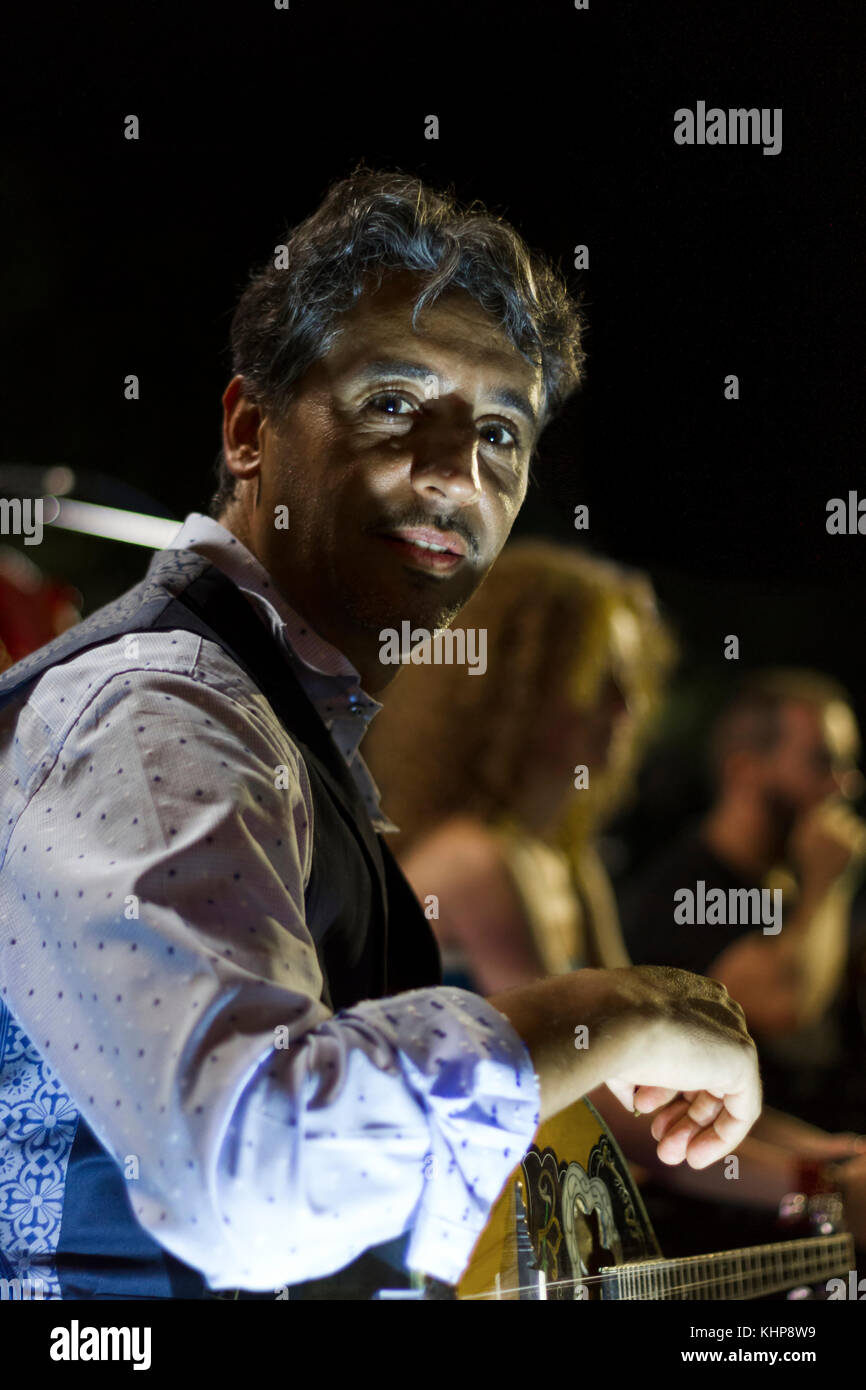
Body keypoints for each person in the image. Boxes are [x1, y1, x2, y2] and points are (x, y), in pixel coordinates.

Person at [0, 167, 761, 1301]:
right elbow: (245, 1177)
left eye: (500, 431)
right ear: (249, 427)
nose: (455, 473)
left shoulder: (278, 717)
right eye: (395, 402)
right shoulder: (160, 708)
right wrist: (621, 1008)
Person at [364, 546, 866, 1252]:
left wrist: (834, 1154)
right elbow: (597, 1101)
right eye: (604, 680)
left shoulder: (564, 862)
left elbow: (646, 1079)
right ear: (527, 688)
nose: (630, 707)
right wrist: (816, 1178)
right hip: (467, 1253)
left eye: (632, 681)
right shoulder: (477, 864)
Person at [622, 670, 866, 1131]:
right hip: (737, 1177)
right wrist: (828, 885)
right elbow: (784, 1005)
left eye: (846, 764)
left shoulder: (787, 883)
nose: (843, 787)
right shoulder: (686, 890)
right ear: (743, 768)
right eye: (822, 762)